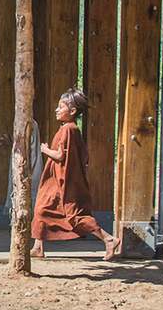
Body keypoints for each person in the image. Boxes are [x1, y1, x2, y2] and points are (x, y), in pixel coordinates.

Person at [29, 90, 118, 260]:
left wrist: (45, 150)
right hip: (55, 181)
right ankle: (38, 247)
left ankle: (108, 239)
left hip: (65, 182)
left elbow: (61, 156)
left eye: (61, 107)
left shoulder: (69, 130)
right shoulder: (67, 128)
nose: (56, 110)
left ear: (72, 111)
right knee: (41, 209)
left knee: (76, 216)